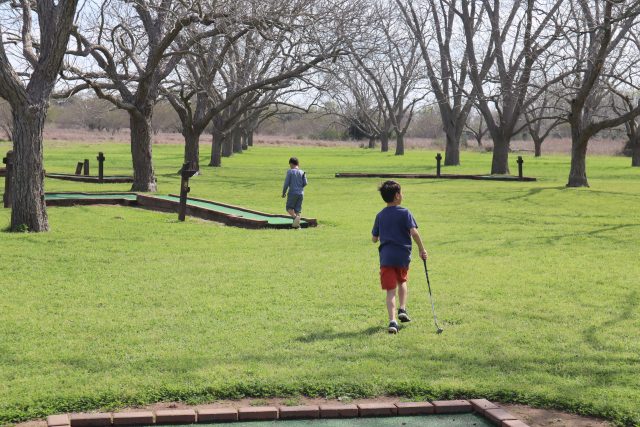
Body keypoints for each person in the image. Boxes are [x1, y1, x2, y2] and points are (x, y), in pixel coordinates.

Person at [372, 180, 428, 334]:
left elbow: (374, 238)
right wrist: (421, 249)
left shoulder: (380, 215)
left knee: (390, 291)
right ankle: (402, 308)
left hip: (386, 257)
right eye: (401, 193)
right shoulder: (405, 213)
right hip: (402, 256)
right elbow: (414, 232)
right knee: (402, 281)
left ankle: (392, 321)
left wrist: (380, 235)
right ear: (397, 196)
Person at [282, 157, 307, 228]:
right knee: (298, 210)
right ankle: (297, 226)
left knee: (289, 208)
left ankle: (295, 218)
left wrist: (284, 192)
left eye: (290, 165)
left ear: (291, 163)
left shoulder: (290, 171)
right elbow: (305, 183)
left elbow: (286, 183)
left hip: (292, 192)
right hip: (301, 193)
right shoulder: (302, 172)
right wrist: (299, 187)